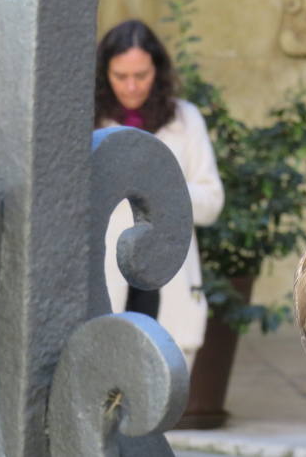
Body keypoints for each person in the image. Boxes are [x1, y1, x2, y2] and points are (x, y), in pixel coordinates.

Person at [95, 19, 224, 368]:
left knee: (165, 394)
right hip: (106, 278)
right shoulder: (88, 122)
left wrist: (160, 194)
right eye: (121, 76)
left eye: (142, 75)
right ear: (104, 73)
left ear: (158, 70)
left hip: (170, 278)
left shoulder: (185, 119)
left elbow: (212, 202)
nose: (133, 86)